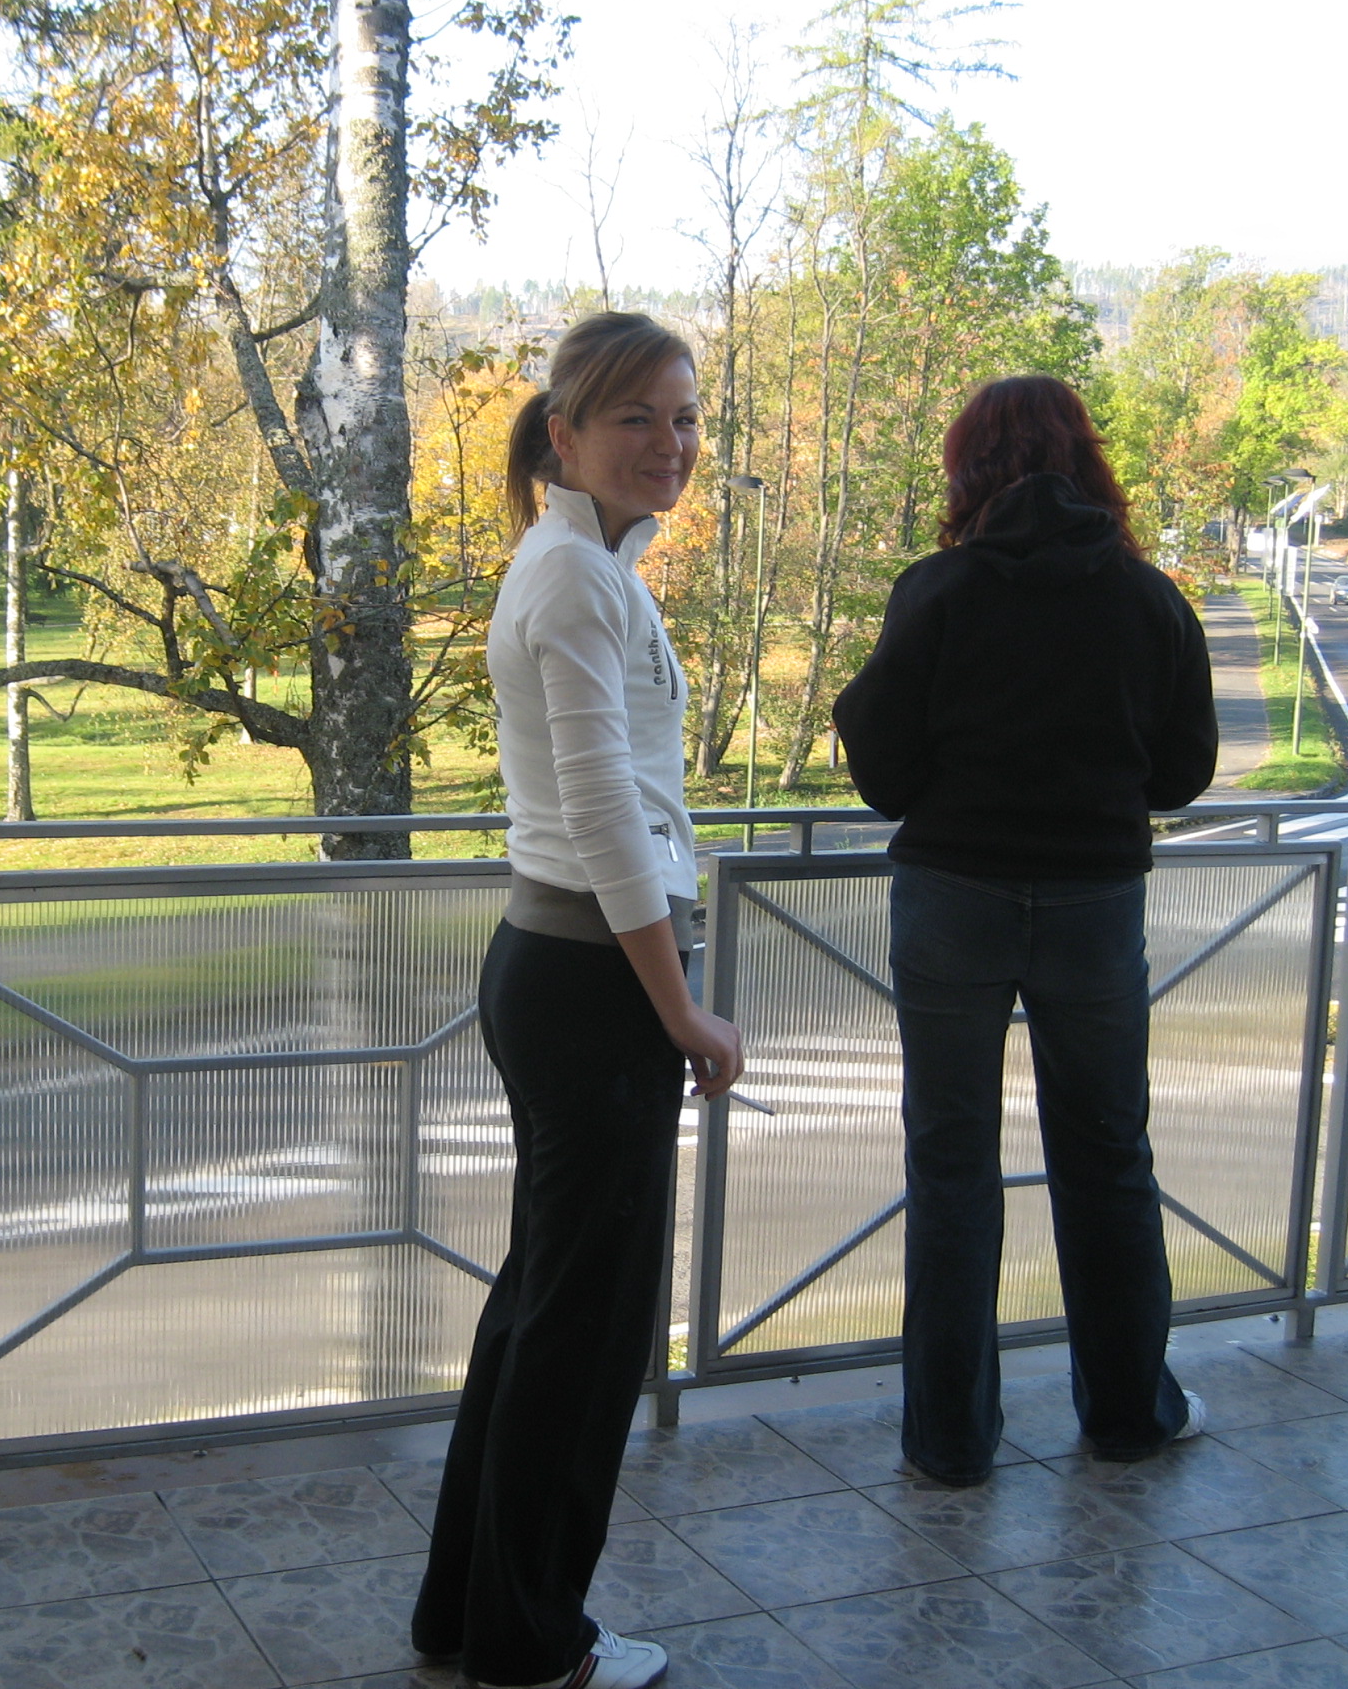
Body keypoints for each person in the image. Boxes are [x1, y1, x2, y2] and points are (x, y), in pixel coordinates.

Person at [410, 312, 743, 1689]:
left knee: (544, 1305)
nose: (671, 443)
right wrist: (681, 1012)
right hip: (592, 981)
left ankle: (467, 1613)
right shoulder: (571, 579)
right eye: (637, 419)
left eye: (685, 417)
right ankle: (530, 1641)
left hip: (571, 971)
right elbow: (607, 818)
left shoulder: (589, 566)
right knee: (586, 1329)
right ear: (565, 434)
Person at [831, 374, 1218, 1487]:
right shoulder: (1148, 600)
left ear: (970, 470)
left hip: (952, 897)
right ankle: (1130, 1416)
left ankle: (949, 1442)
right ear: (1086, 462)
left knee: (951, 1163)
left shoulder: (938, 591)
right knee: (1107, 1155)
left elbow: (882, 770)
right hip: (1096, 904)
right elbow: (1184, 771)